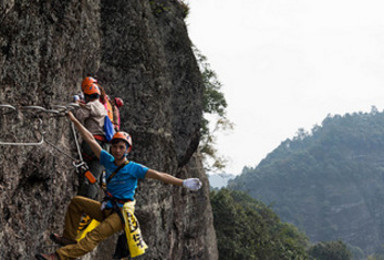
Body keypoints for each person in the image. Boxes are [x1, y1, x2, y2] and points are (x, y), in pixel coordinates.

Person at [35, 111, 202, 260]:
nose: (117, 150)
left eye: (121, 147)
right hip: (106, 207)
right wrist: (74, 120)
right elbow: (90, 139)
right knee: (77, 202)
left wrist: (183, 183)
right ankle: (69, 238)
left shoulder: (134, 168)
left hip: (120, 214)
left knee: (93, 237)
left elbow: (159, 175)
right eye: (115, 146)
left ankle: (58, 257)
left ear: (127, 150)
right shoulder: (107, 159)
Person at [74, 82, 107, 199]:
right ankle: (89, 201)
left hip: (91, 144)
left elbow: (79, 115)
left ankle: (82, 198)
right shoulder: (103, 107)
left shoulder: (91, 106)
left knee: (85, 172)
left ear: (88, 96)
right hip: (102, 146)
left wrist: (76, 103)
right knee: (95, 177)